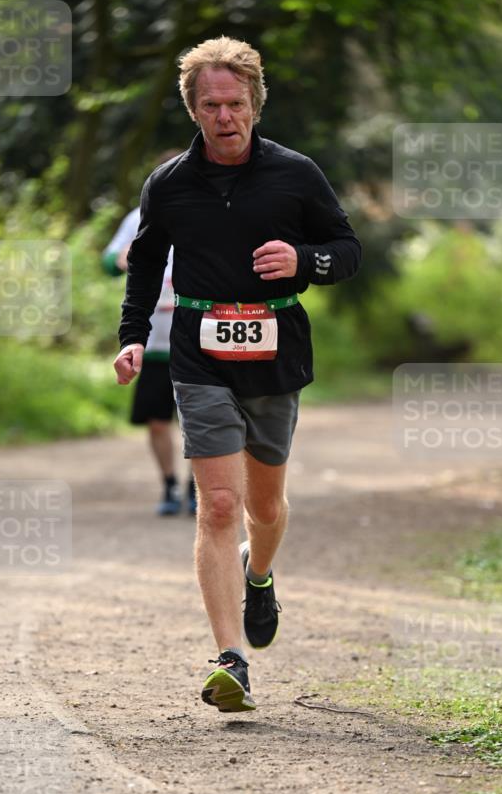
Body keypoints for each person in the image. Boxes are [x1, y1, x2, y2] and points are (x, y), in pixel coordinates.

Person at [113, 36, 361, 712]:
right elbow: (142, 266)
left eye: (235, 103)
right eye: (211, 105)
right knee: (218, 505)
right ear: (193, 110)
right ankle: (231, 661)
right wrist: (133, 338)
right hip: (198, 355)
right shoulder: (168, 185)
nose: (225, 116)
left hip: (276, 351)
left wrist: (304, 261)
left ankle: (260, 573)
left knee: (264, 508)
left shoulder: (295, 174)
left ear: (254, 103)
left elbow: (347, 251)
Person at [103, 209, 196, 516]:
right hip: (152, 343)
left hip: (198, 341)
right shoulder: (137, 217)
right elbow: (109, 261)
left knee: (199, 420)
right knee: (158, 422)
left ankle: (198, 487)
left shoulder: (207, 206)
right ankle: (169, 483)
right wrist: (120, 259)